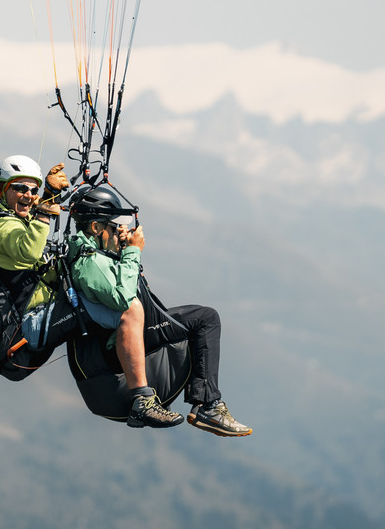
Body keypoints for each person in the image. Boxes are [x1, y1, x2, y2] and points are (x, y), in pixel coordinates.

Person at [67, 186, 252, 437]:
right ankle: (208, 406)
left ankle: (208, 405)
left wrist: (122, 250)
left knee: (202, 317)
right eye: (113, 227)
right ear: (96, 228)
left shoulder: (92, 253)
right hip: (117, 344)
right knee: (205, 319)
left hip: (120, 336)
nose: (119, 231)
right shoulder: (89, 261)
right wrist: (133, 251)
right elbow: (122, 297)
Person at [0, 154, 69, 312]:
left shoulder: (16, 216)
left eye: (34, 190)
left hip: (43, 302)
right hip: (26, 314)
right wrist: (44, 212)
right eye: (21, 188)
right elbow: (29, 251)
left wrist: (48, 195)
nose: (29, 195)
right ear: (4, 188)